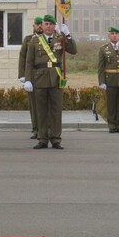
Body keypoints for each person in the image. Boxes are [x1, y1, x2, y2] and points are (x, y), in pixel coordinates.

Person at [23, 14, 77, 150]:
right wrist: (28, 80)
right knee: (41, 110)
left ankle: (56, 139)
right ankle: (42, 138)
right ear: (42, 26)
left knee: (56, 111)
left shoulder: (60, 38)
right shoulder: (34, 41)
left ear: (54, 26)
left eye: (51, 24)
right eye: (46, 24)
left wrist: (68, 35)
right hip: (39, 79)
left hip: (56, 79)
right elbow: (29, 62)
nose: (48, 27)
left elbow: (73, 50)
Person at [19, 17, 44, 138]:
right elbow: (23, 58)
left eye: (41, 24)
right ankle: (36, 129)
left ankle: (46, 129)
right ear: (33, 26)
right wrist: (22, 76)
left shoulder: (49, 39)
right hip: (32, 75)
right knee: (34, 104)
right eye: (37, 25)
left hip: (44, 75)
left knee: (45, 104)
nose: (39, 26)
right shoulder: (28, 39)